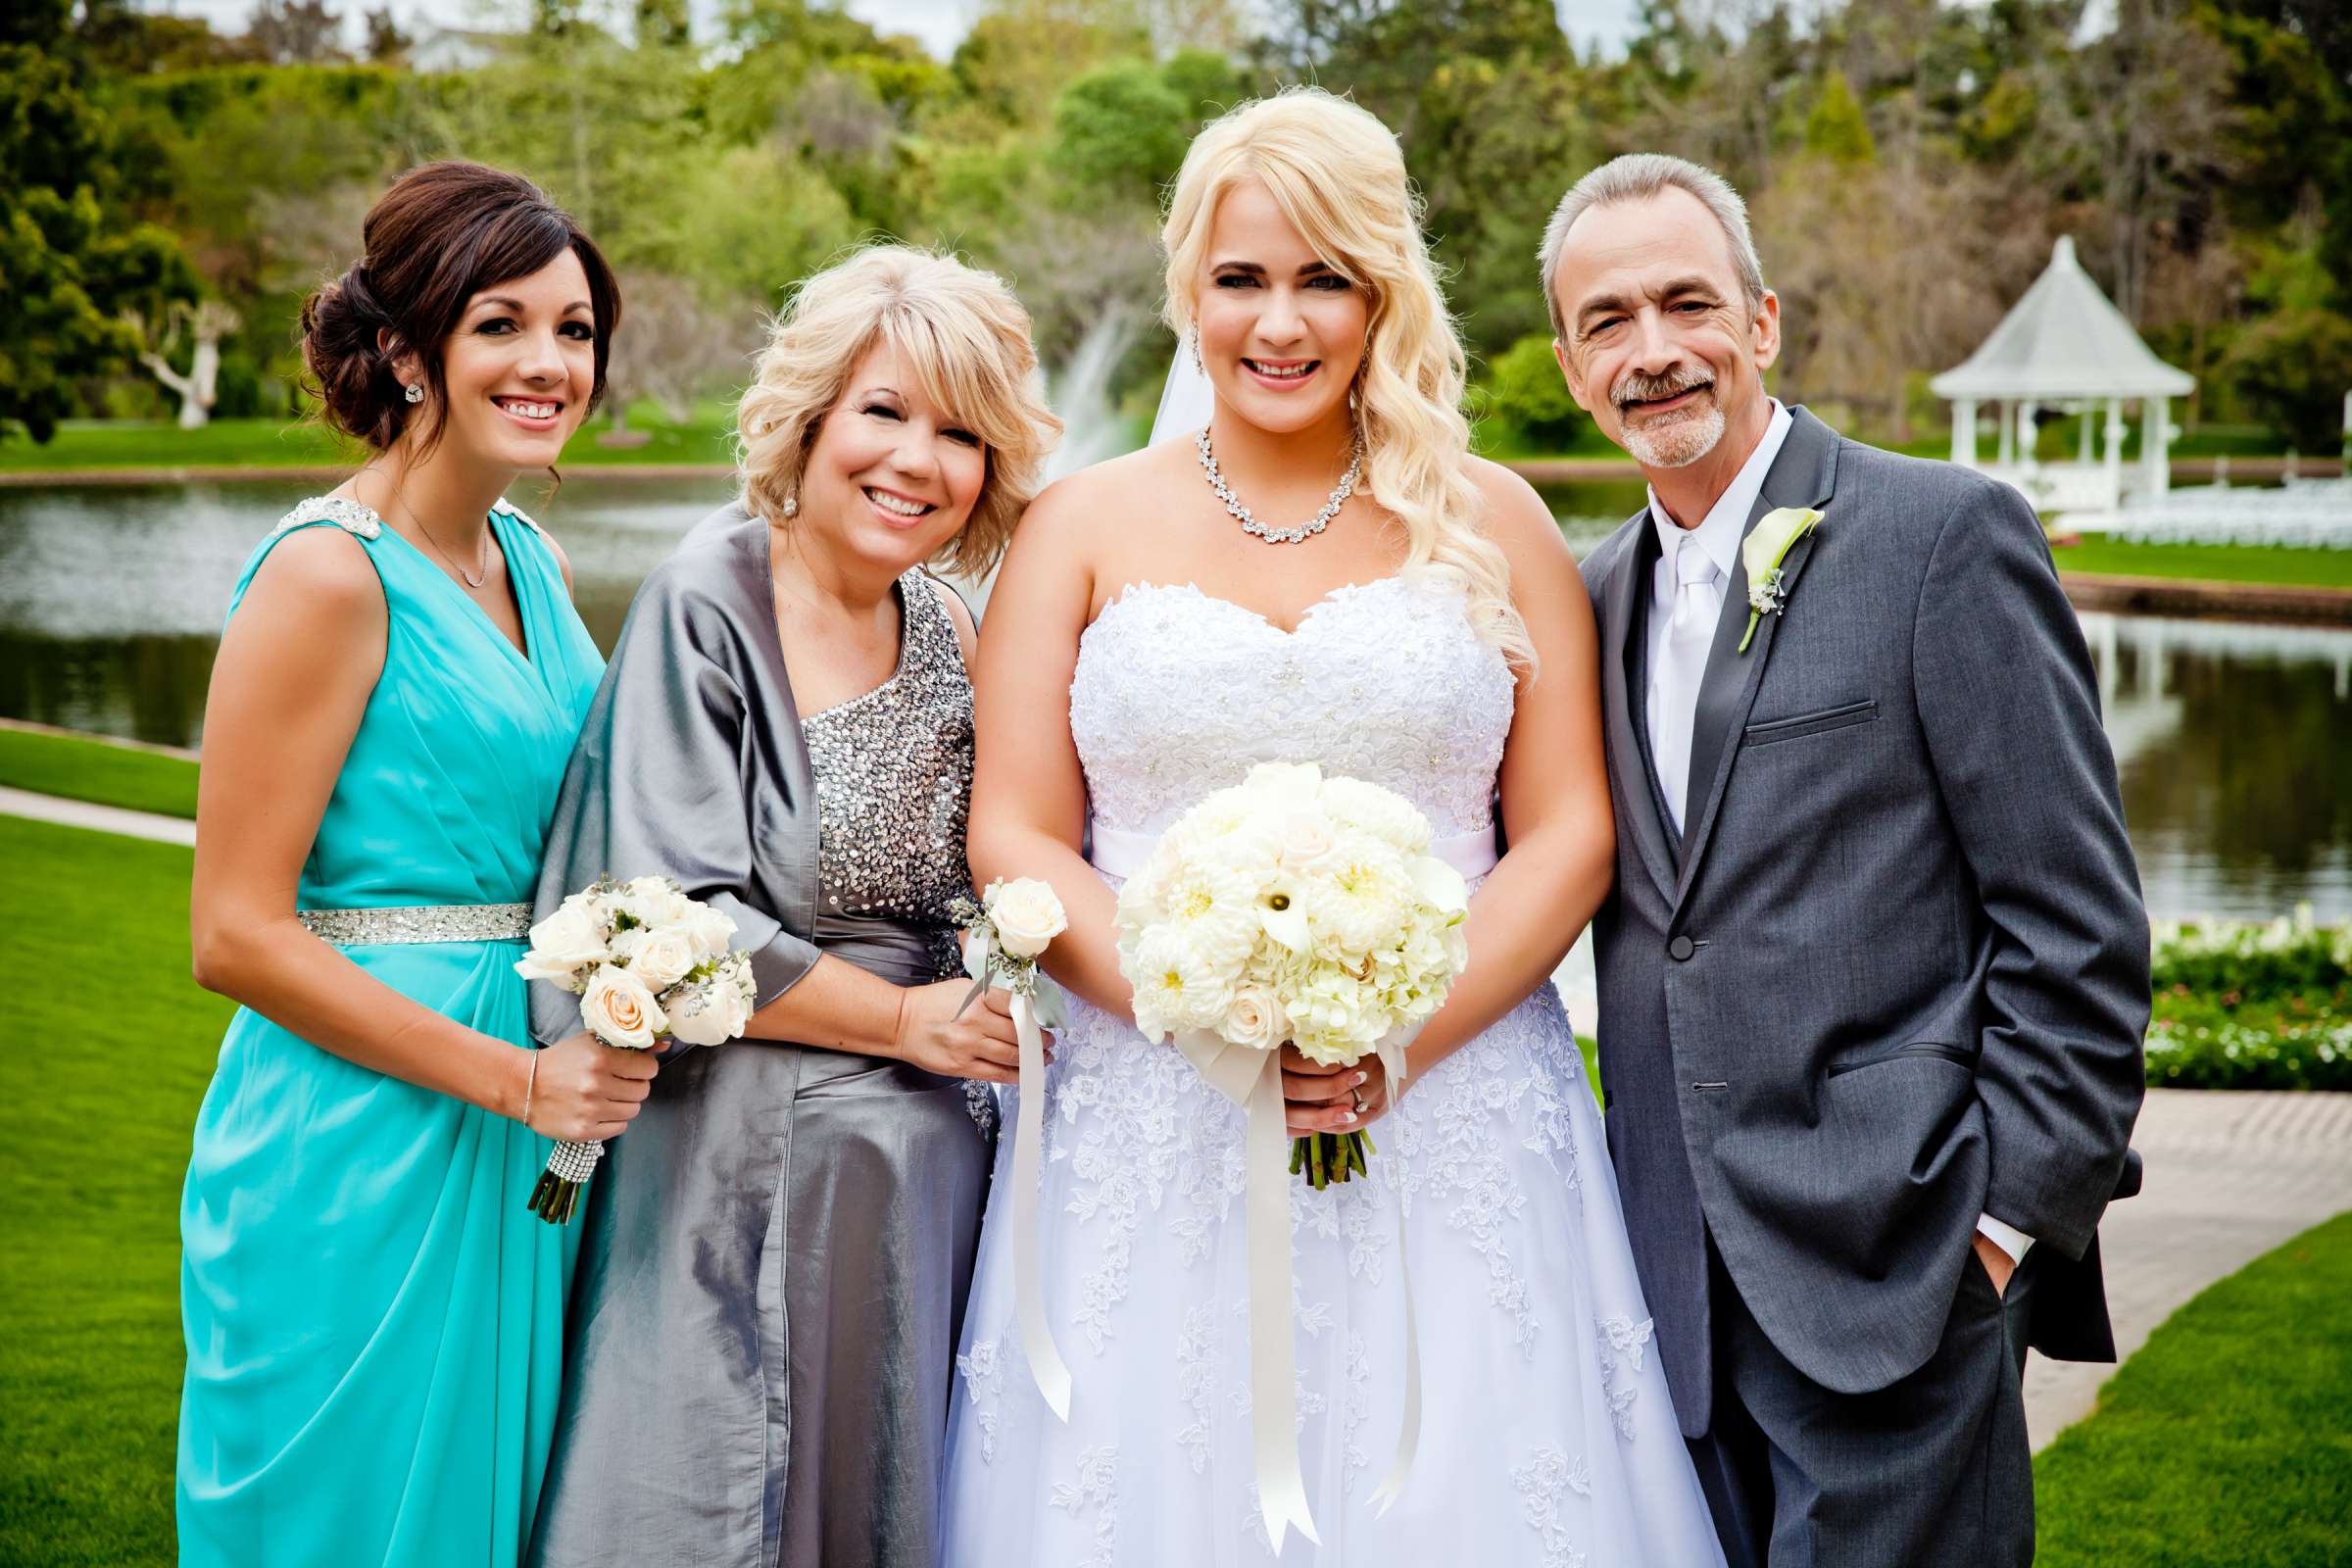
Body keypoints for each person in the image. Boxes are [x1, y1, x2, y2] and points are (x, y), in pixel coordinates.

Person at [939, 88, 1727, 1565]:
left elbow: (1565, 835)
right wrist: (1204, 1013)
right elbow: (1018, 837)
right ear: (1190, 288)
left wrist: (1398, 1040)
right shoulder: (1079, 527)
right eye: (1241, 279)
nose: (1279, 323)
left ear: (1383, 294)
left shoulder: (1492, 520)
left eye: (1324, 279)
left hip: (1459, 1110)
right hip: (1150, 1112)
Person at [1546, 153, 2149, 1567]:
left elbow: (2078, 926)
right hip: (1670, 1297)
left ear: (1759, 323)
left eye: (1685, 305)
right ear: (1573, 366)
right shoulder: (1582, 597)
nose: (1653, 353)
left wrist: (1999, 1229)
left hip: (1903, 1267)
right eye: (1607, 322)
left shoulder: (1943, 537)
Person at [522, 244, 1062, 1568]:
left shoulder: (949, 618)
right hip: (750, 1143)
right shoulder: (711, 601)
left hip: (939, 1147)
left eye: (961, 433)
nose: (917, 461)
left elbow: (1001, 865)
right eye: (884, 412)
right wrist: (909, 1026)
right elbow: (668, 907)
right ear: (810, 418)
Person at [177, 161, 645, 1567]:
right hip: (368, 1137)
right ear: (405, 349)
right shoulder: (329, 574)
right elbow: (236, 934)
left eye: (573, 329)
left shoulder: (530, 556)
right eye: (502, 324)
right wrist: (518, 1079)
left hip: (528, 1130)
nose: (548, 363)